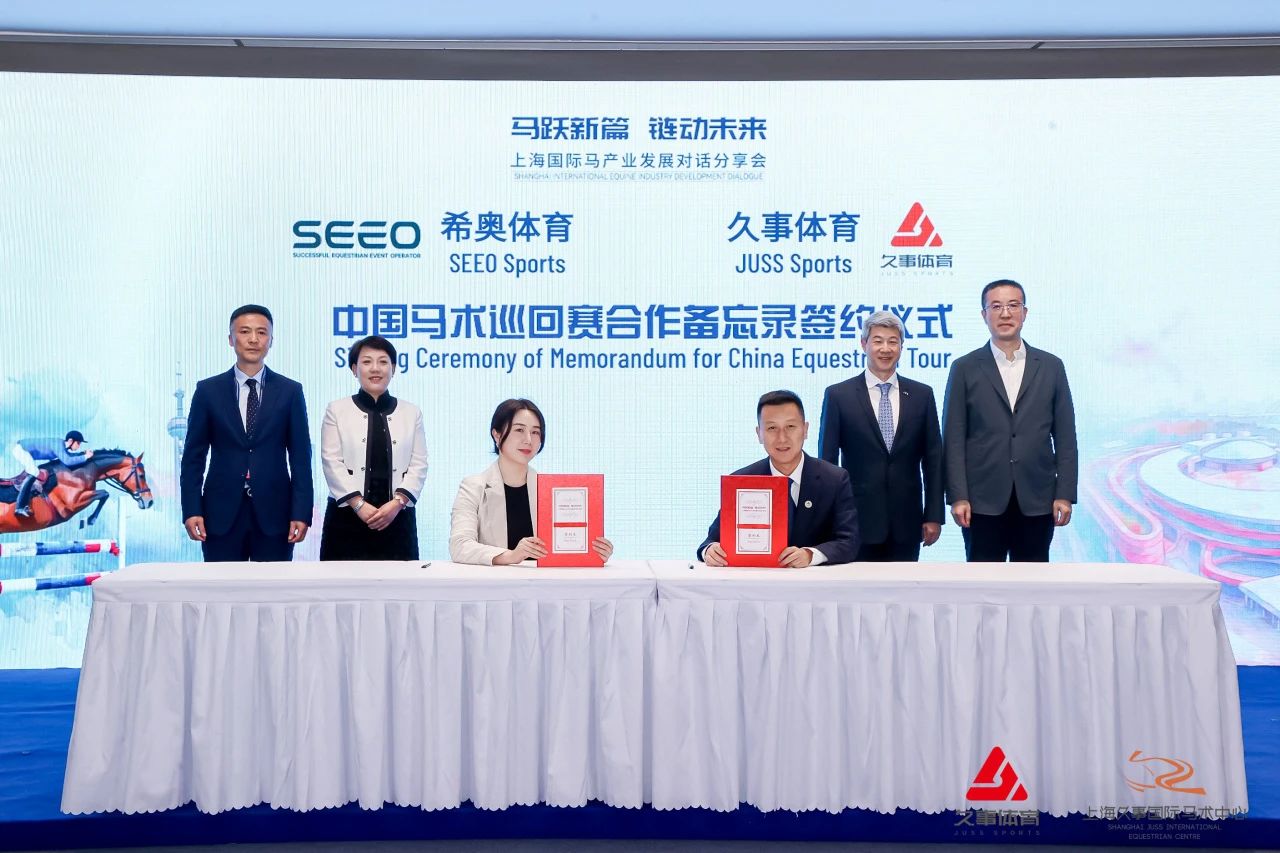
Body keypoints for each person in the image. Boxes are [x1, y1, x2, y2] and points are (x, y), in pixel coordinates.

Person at [942, 279, 1077, 562]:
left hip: (1037, 498)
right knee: (983, 581)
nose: (1005, 313)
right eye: (996, 306)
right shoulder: (964, 367)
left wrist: (1064, 493)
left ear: (1024, 313)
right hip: (981, 501)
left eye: (1013, 305)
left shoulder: (1051, 366)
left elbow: (1065, 436)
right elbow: (953, 439)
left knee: (1033, 582)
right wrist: (958, 495)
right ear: (984, 315)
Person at [180, 305, 313, 561]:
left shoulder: (290, 391)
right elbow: (193, 458)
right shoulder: (208, 391)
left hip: (276, 513)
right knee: (221, 586)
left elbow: (300, 458)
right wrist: (191, 509)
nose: (253, 339)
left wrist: (301, 512)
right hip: (220, 513)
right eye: (244, 332)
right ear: (231, 339)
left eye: (261, 332)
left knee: (274, 586)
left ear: (271, 340)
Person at [818, 311, 944, 561]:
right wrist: (829, 517)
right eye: (878, 341)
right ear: (864, 344)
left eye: (893, 341)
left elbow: (933, 461)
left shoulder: (922, 395)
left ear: (901, 346)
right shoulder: (838, 396)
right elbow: (827, 463)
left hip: (907, 522)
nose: (885, 349)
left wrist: (933, 515)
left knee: (905, 586)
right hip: (855, 521)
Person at [699, 390, 859, 567]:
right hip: (758, 581)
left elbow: (849, 542)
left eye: (790, 426)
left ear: (805, 430)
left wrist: (810, 555)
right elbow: (710, 541)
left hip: (815, 581)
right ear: (759, 434)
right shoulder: (742, 480)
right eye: (772, 428)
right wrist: (710, 550)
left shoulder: (834, 479)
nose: (782, 438)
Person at [449, 398, 613, 565]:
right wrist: (511, 556)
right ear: (496, 434)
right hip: (495, 581)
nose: (528, 439)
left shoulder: (552, 491)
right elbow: (460, 546)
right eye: (519, 430)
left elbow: (563, 548)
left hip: (543, 581)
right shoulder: (473, 487)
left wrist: (594, 552)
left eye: (535, 432)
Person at [318, 336, 428, 561]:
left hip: (396, 518)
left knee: (400, 582)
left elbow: (419, 464)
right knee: (341, 582)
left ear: (393, 368)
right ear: (354, 369)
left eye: (383, 362)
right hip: (346, 517)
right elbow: (331, 462)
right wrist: (359, 505)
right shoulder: (336, 410)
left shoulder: (411, 412)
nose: (375, 368)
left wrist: (397, 503)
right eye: (367, 362)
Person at [9, 431, 94, 517]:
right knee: (34, 472)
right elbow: (67, 461)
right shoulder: (58, 445)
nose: (79, 446)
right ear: (71, 441)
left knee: (34, 471)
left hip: (23, 449)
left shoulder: (62, 446)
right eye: (78, 443)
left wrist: (83, 454)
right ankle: (20, 507)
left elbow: (68, 456)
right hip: (20, 449)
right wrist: (85, 457)